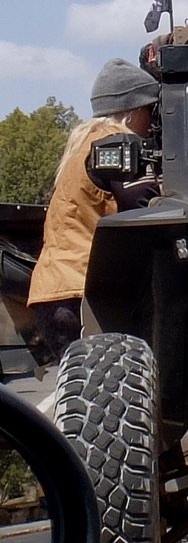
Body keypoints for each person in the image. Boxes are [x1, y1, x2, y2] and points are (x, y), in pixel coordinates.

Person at [27, 58, 161, 362]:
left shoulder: (82, 144)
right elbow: (147, 208)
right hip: (85, 293)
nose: (152, 122)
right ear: (132, 110)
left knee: (83, 396)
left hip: (53, 291)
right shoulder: (118, 143)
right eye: (150, 111)